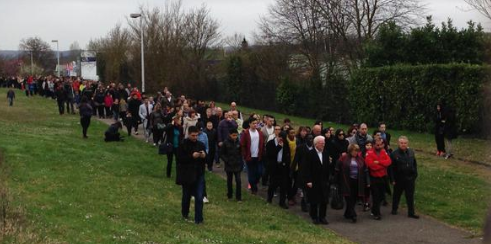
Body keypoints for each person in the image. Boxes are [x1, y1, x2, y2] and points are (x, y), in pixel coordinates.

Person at [176, 126, 207, 224]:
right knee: (186, 196)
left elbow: (206, 158)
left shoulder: (200, 144)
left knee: (199, 196)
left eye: (196, 135)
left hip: (199, 173)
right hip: (187, 174)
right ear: (188, 134)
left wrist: (203, 156)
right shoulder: (183, 144)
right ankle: (185, 213)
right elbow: (180, 159)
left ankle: (199, 219)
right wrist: (191, 156)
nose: (195, 137)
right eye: (193, 135)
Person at [335, 144, 369, 223]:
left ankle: (347, 213)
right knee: (348, 197)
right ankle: (353, 215)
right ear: (350, 151)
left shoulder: (361, 159)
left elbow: (365, 170)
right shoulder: (343, 158)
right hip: (346, 181)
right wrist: (336, 181)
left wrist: (367, 181)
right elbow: (337, 169)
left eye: (357, 151)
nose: (355, 152)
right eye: (354, 151)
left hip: (357, 181)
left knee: (354, 198)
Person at [390, 136, 419, 219]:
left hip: (410, 178)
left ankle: (411, 212)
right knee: (397, 195)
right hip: (399, 178)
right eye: (402, 143)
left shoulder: (411, 152)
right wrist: (392, 179)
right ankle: (394, 209)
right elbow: (391, 168)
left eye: (405, 143)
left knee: (410, 196)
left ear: (408, 143)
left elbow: (414, 164)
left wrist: (415, 175)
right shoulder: (394, 154)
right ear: (398, 143)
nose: (403, 145)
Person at [304, 136, 330, 225]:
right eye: (321, 143)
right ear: (316, 144)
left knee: (324, 199)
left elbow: (327, 167)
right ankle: (314, 217)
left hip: (323, 180)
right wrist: (308, 180)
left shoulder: (326, 153)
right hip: (314, 180)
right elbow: (306, 168)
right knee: (314, 200)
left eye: (324, 143)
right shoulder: (310, 153)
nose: (323, 144)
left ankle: (322, 216)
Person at [365, 138, 392, 220]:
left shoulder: (384, 152)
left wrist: (379, 162)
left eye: (380, 145)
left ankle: (374, 210)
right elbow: (372, 166)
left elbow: (389, 162)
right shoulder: (369, 153)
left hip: (383, 178)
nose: (379, 146)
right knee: (376, 196)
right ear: (374, 145)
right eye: (377, 145)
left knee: (381, 196)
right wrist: (382, 165)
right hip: (374, 178)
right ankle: (377, 213)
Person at [266, 126, 289, 208]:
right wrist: (279, 147)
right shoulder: (270, 143)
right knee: (272, 184)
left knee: (283, 186)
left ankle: (282, 202)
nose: (282, 141)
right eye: (280, 138)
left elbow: (287, 155)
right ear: (277, 136)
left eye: (283, 139)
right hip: (274, 167)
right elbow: (270, 155)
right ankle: (269, 198)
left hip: (282, 167)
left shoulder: (285, 143)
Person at [240, 118, 265, 194]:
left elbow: (262, 144)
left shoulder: (260, 133)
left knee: (260, 172)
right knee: (251, 174)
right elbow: (242, 145)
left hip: (258, 156)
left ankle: (254, 183)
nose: (255, 125)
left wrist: (262, 153)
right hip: (249, 157)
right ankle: (254, 188)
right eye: (253, 123)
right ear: (249, 124)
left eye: (256, 123)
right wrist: (245, 155)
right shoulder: (246, 133)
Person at [291, 134, 314, 212]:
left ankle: (308, 203)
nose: (311, 140)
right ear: (306, 139)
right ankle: (304, 204)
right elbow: (296, 160)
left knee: (309, 189)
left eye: (312, 139)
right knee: (304, 188)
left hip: (312, 172)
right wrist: (292, 170)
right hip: (302, 171)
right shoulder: (300, 148)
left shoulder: (314, 148)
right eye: (309, 139)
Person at [220, 128, 243, 201]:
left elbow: (240, 152)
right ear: (230, 135)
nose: (235, 137)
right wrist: (227, 160)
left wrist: (240, 160)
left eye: (236, 135)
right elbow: (221, 153)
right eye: (233, 135)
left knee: (238, 181)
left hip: (237, 164)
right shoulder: (225, 143)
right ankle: (229, 196)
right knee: (229, 181)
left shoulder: (238, 142)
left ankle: (238, 197)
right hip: (229, 165)